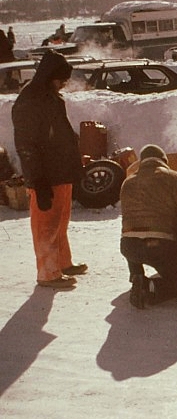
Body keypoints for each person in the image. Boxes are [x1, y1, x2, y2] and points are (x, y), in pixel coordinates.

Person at [12, 49, 86, 289]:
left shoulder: (51, 96)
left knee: (60, 221)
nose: (64, 83)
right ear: (49, 75)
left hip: (61, 172)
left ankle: (62, 262)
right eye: (61, 79)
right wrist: (38, 179)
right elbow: (26, 145)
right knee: (46, 224)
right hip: (46, 176)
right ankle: (47, 273)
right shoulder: (30, 100)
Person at [119, 145, 177, 309]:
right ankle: (148, 286)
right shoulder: (174, 178)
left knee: (132, 235)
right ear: (164, 160)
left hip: (129, 247)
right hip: (161, 246)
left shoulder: (128, 181)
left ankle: (136, 275)